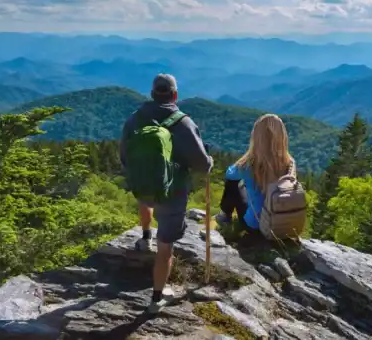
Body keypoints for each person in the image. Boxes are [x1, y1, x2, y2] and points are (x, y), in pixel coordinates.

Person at [119, 73, 213, 314]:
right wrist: (210, 161)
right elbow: (202, 165)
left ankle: (145, 236)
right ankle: (156, 298)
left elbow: (124, 157)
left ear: (152, 94)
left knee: (145, 201)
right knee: (166, 249)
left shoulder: (134, 119)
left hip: (142, 188)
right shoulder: (183, 123)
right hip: (172, 193)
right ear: (175, 95)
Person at [216, 114, 295, 233]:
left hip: (256, 225)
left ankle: (224, 216)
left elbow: (230, 173)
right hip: (283, 224)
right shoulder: (289, 163)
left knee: (233, 183)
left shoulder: (251, 163)